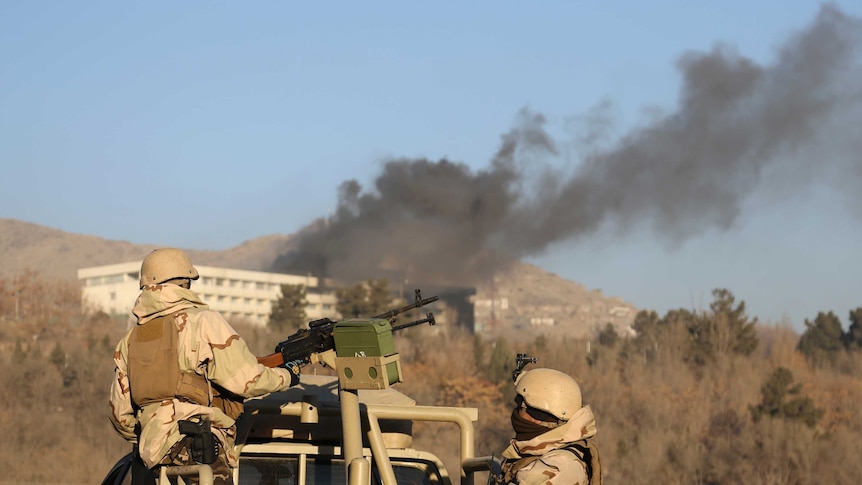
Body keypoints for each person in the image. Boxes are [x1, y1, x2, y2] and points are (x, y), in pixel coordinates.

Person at [109, 248, 302, 485]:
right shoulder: (203, 322)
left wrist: (152, 430)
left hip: (150, 461)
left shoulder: (129, 340)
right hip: (198, 452)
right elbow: (248, 380)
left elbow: (120, 416)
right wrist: (287, 376)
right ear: (184, 283)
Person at [500, 368, 602, 485]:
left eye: (520, 406)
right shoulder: (543, 455)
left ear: (537, 416)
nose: (516, 413)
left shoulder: (557, 469)